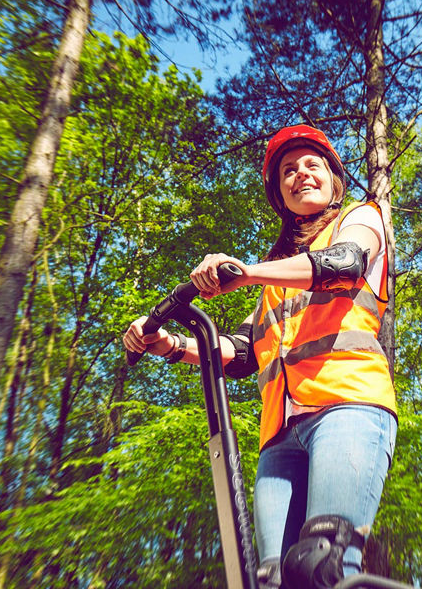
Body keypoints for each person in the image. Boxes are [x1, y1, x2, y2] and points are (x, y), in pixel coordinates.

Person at [122, 124, 397, 589]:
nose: (300, 174)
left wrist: (245, 272)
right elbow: (243, 352)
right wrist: (168, 345)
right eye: (288, 171)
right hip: (279, 438)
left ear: (334, 178)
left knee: (320, 563)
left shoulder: (363, 217)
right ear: (279, 193)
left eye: (313, 165)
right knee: (268, 579)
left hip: (347, 408)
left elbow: (345, 263)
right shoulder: (275, 279)